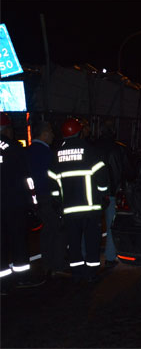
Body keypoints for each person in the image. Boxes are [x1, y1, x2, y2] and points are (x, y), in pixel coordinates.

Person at [48, 118, 109, 283]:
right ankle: (91, 273)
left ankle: (77, 273)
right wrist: (104, 195)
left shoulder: (56, 155)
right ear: (79, 132)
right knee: (92, 241)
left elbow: (52, 182)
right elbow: (102, 177)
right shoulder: (89, 151)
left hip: (69, 209)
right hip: (90, 208)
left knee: (73, 242)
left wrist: (57, 201)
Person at [0, 113, 44, 289]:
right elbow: (27, 179)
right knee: (18, 241)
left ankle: (2, 283)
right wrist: (33, 202)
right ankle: (22, 277)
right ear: (7, 129)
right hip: (14, 204)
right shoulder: (15, 148)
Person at [27, 120, 69, 278]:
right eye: (50, 132)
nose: (52, 135)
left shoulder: (28, 151)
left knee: (47, 230)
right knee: (58, 229)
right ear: (44, 134)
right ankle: (58, 265)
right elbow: (52, 179)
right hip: (49, 197)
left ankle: (47, 263)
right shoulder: (47, 154)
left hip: (36, 198)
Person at [95, 118, 134, 268]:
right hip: (113, 192)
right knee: (111, 225)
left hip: (94, 193)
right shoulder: (120, 149)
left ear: (100, 131)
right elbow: (129, 171)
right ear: (114, 132)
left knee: (93, 225)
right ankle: (110, 257)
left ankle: (88, 254)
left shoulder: (92, 147)